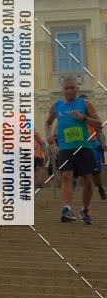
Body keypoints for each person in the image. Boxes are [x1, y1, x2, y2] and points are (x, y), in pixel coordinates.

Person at [45, 76, 102, 224]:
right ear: (62, 90)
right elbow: (48, 122)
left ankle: (85, 209)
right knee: (66, 176)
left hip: (84, 146)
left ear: (77, 89)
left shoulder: (85, 104)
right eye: (66, 88)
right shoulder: (56, 106)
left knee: (88, 181)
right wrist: (48, 136)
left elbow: (99, 124)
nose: (69, 90)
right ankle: (67, 208)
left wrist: (83, 118)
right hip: (65, 148)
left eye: (72, 88)